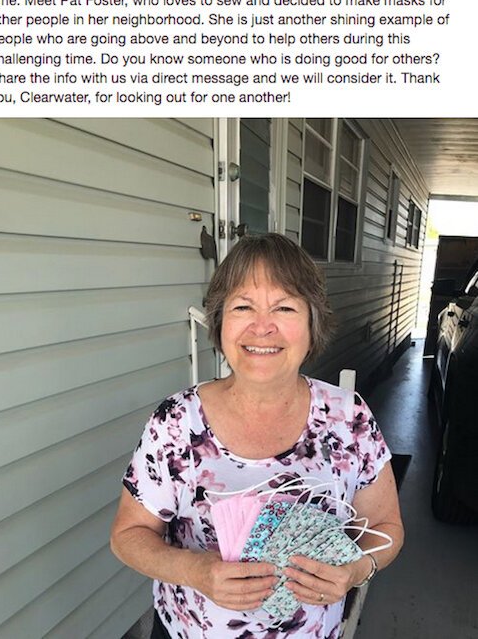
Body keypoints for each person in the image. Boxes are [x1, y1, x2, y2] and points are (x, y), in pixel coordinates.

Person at [110, 233, 404, 639]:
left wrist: (355, 570)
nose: (262, 327)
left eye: (284, 307)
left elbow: (385, 526)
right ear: (221, 322)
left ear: (311, 322)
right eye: (243, 306)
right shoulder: (177, 421)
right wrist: (195, 570)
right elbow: (128, 536)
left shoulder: (347, 417)